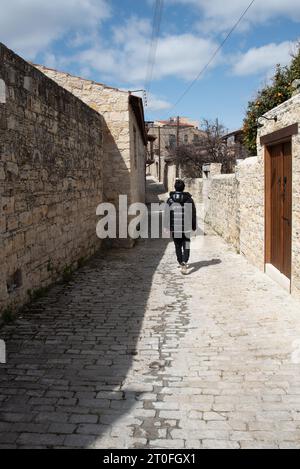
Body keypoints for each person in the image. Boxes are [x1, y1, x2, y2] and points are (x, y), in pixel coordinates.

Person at [164, 179, 197, 275]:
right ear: (183, 188)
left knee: (177, 245)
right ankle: (184, 261)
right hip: (186, 227)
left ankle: (180, 261)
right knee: (186, 244)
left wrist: (166, 226)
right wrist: (194, 226)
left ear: (175, 187)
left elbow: (167, 214)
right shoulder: (189, 200)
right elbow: (193, 214)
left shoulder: (170, 200)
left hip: (175, 227)